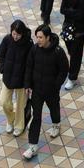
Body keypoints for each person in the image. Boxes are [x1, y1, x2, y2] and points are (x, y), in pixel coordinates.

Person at [23, 24, 69, 160]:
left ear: (48, 37)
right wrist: (27, 84)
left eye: (41, 37)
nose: (38, 40)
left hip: (51, 90)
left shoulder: (58, 52)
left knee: (54, 108)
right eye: (37, 37)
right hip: (37, 90)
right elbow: (29, 67)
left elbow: (64, 70)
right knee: (36, 117)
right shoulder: (35, 49)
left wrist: (56, 85)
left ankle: (56, 124)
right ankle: (32, 146)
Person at [0, 20, 33, 137]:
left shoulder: (28, 44)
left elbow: (30, 65)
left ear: (22, 33)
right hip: (8, 78)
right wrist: (3, 68)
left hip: (22, 81)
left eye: (18, 34)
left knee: (20, 105)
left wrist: (28, 83)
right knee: (4, 102)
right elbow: (1, 54)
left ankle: (19, 126)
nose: (15, 36)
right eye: (14, 33)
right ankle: (10, 119)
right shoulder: (7, 40)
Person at [60, 0, 84, 90]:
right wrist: (73, 12)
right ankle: (72, 70)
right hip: (67, 29)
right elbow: (62, 10)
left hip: (78, 32)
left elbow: (82, 15)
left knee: (76, 55)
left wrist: (70, 12)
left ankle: (72, 78)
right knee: (71, 52)